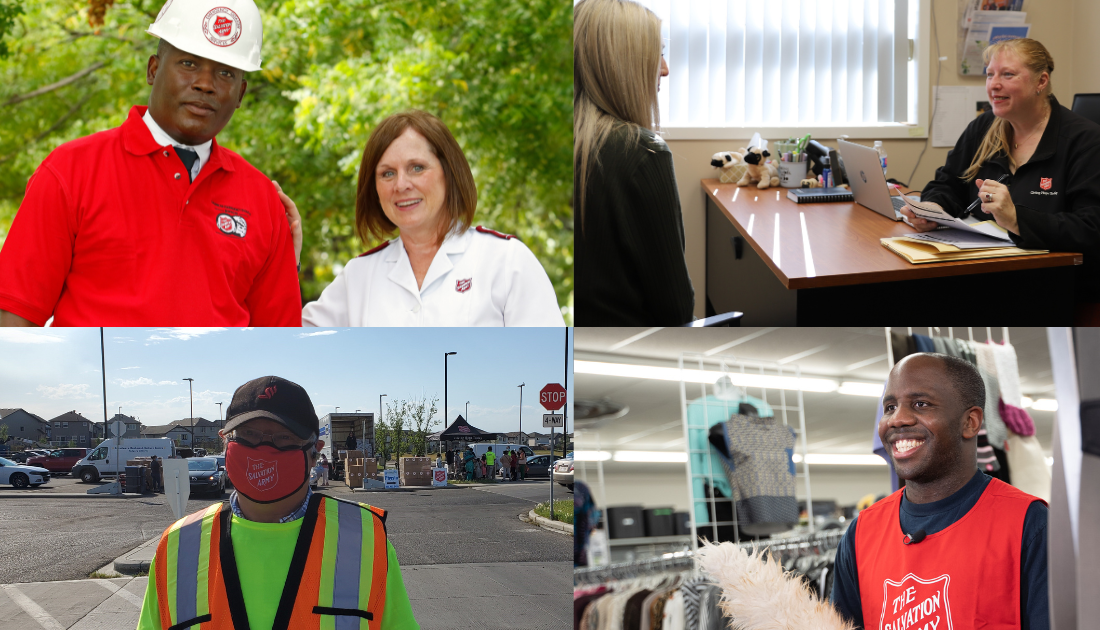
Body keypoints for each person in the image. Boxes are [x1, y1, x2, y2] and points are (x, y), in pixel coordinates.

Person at [0, 0, 302, 327]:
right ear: (153, 70)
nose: (205, 83)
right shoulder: (71, 171)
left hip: (214, 379)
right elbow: (14, 322)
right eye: (188, 63)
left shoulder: (263, 200)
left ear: (241, 93)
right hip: (97, 377)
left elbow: (277, 339)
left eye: (225, 72)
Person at [137, 375, 418, 629]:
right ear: (226, 443)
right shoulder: (178, 546)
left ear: (314, 452)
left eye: (284, 438)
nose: (264, 450)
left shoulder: (364, 539)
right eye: (249, 436)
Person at [830, 353, 1047, 629]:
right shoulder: (860, 534)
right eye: (889, 407)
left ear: (970, 422)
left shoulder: (1029, 523)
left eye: (920, 404)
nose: (897, 420)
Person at [300, 110, 564, 326]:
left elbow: (547, 367)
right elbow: (290, 345)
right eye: (387, 173)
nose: (401, 184)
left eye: (417, 168)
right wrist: (287, 258)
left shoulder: (506, 261)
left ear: (450, 173)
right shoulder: (358, 276)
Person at [902, 38, 1100, 323]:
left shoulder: (1085, 141)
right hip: (980, 270)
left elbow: (1092, 229)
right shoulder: (984, 127)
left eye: (1007, 74)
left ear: (1041, 81)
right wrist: (932, 210)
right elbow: (948, 183)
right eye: (990, 74)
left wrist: (1017, 219)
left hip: (1048, 283)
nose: (993, 84)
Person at [574, 0, 694, 326]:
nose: (665, 68)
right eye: (658, 53)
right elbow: (676, 310)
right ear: (624, 62)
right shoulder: (641, 151)